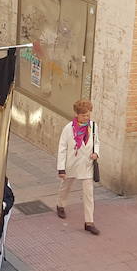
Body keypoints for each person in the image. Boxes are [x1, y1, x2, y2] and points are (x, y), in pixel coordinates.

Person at [56, 99, 100, 235]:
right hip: (72, 164)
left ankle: (89, 222)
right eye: (83, 115)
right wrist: (61, 168)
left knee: (88, 194)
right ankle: (60, 204)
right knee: (66, 186)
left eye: (88, 115)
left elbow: (97, 142)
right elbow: (62, 148)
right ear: (77, 115)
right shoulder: (68, 128)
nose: (86, 118)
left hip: (86, 165)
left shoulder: (93, 126)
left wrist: (96, 153)